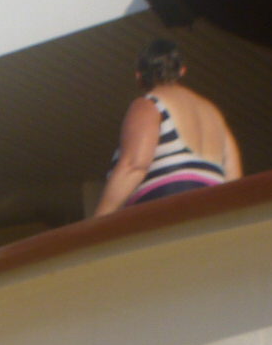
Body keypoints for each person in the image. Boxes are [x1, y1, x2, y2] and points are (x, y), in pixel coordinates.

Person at [92, 38, 242, 217]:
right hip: (213, 211)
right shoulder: (213, 113)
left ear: (139, 76)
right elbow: (233, 177)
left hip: (168, 210)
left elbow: (134, 166)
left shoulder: (149, 105)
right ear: (182, 70)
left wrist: (97, 221)